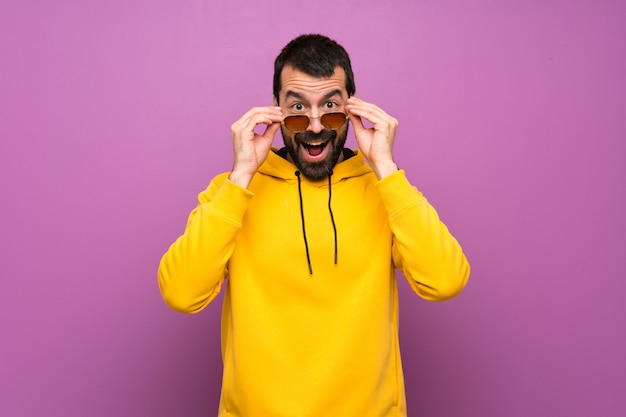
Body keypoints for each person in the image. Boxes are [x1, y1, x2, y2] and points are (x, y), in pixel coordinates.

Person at [158, 34, 470, 417]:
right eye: (298, 106)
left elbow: (445, 281)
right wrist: (241, 176)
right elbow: (181, 293)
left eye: (332, 106)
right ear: (276, 110)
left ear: (353, 108)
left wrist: (386, 169)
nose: (316, 124)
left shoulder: (385, 191)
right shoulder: (232, 192)